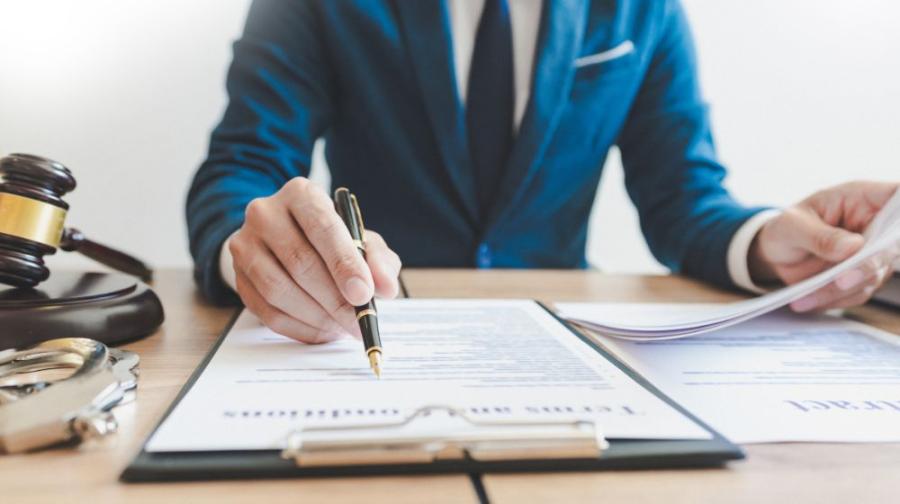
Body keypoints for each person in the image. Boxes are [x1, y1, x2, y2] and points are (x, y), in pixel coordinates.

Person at [186, 0, 898, 343]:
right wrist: (255, 251)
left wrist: (769, 240)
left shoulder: (642, 9)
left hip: (560, 338)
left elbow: (683, 197)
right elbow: (243, 166)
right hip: (371, 331)